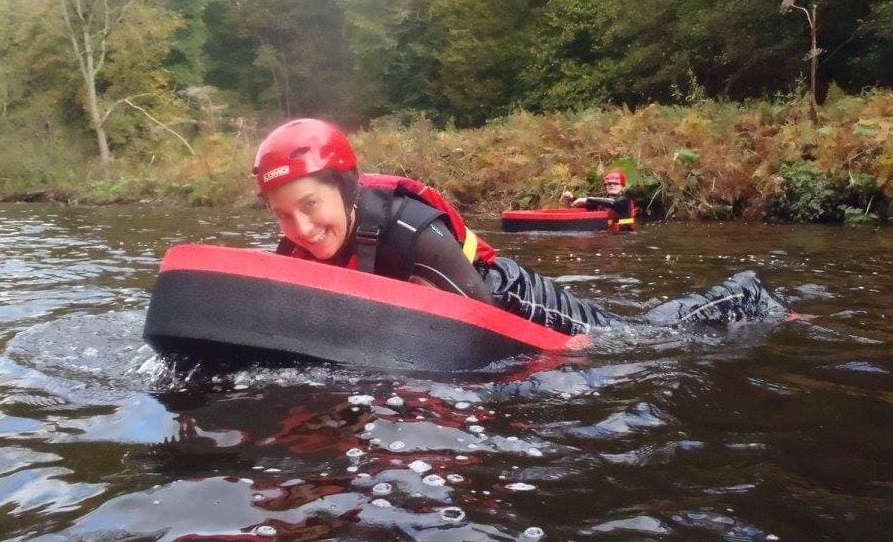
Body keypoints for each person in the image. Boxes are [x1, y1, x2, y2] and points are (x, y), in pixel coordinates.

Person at [254, 119, 786, 336]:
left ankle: (746, 292)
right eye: (282, 214)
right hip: (479, 298)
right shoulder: (294, 246)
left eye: (310, 205)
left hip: (513, 297)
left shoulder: (412, 235)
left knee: (645, 335)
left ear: (346, 189)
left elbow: (481, 328)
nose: (300, 227)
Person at [561, 171, 635, 232]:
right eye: (609, 184)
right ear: (606, 186)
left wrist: (587, 199)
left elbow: (614, 203)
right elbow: (586, 204)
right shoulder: (601, 202)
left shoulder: (624, 200)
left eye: (615, 184)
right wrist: (572, 198)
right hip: (607, 235)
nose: (612, 186)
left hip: (623, 236)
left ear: (622, 186)